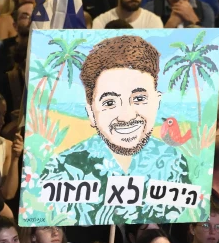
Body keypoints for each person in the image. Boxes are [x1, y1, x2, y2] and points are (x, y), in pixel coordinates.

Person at [38, 35, 187, 224]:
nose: (126, 116)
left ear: (157, 102)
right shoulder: (61, 169)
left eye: (139, 99)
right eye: (110, 102)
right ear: (91, 112)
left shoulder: (174, 163)